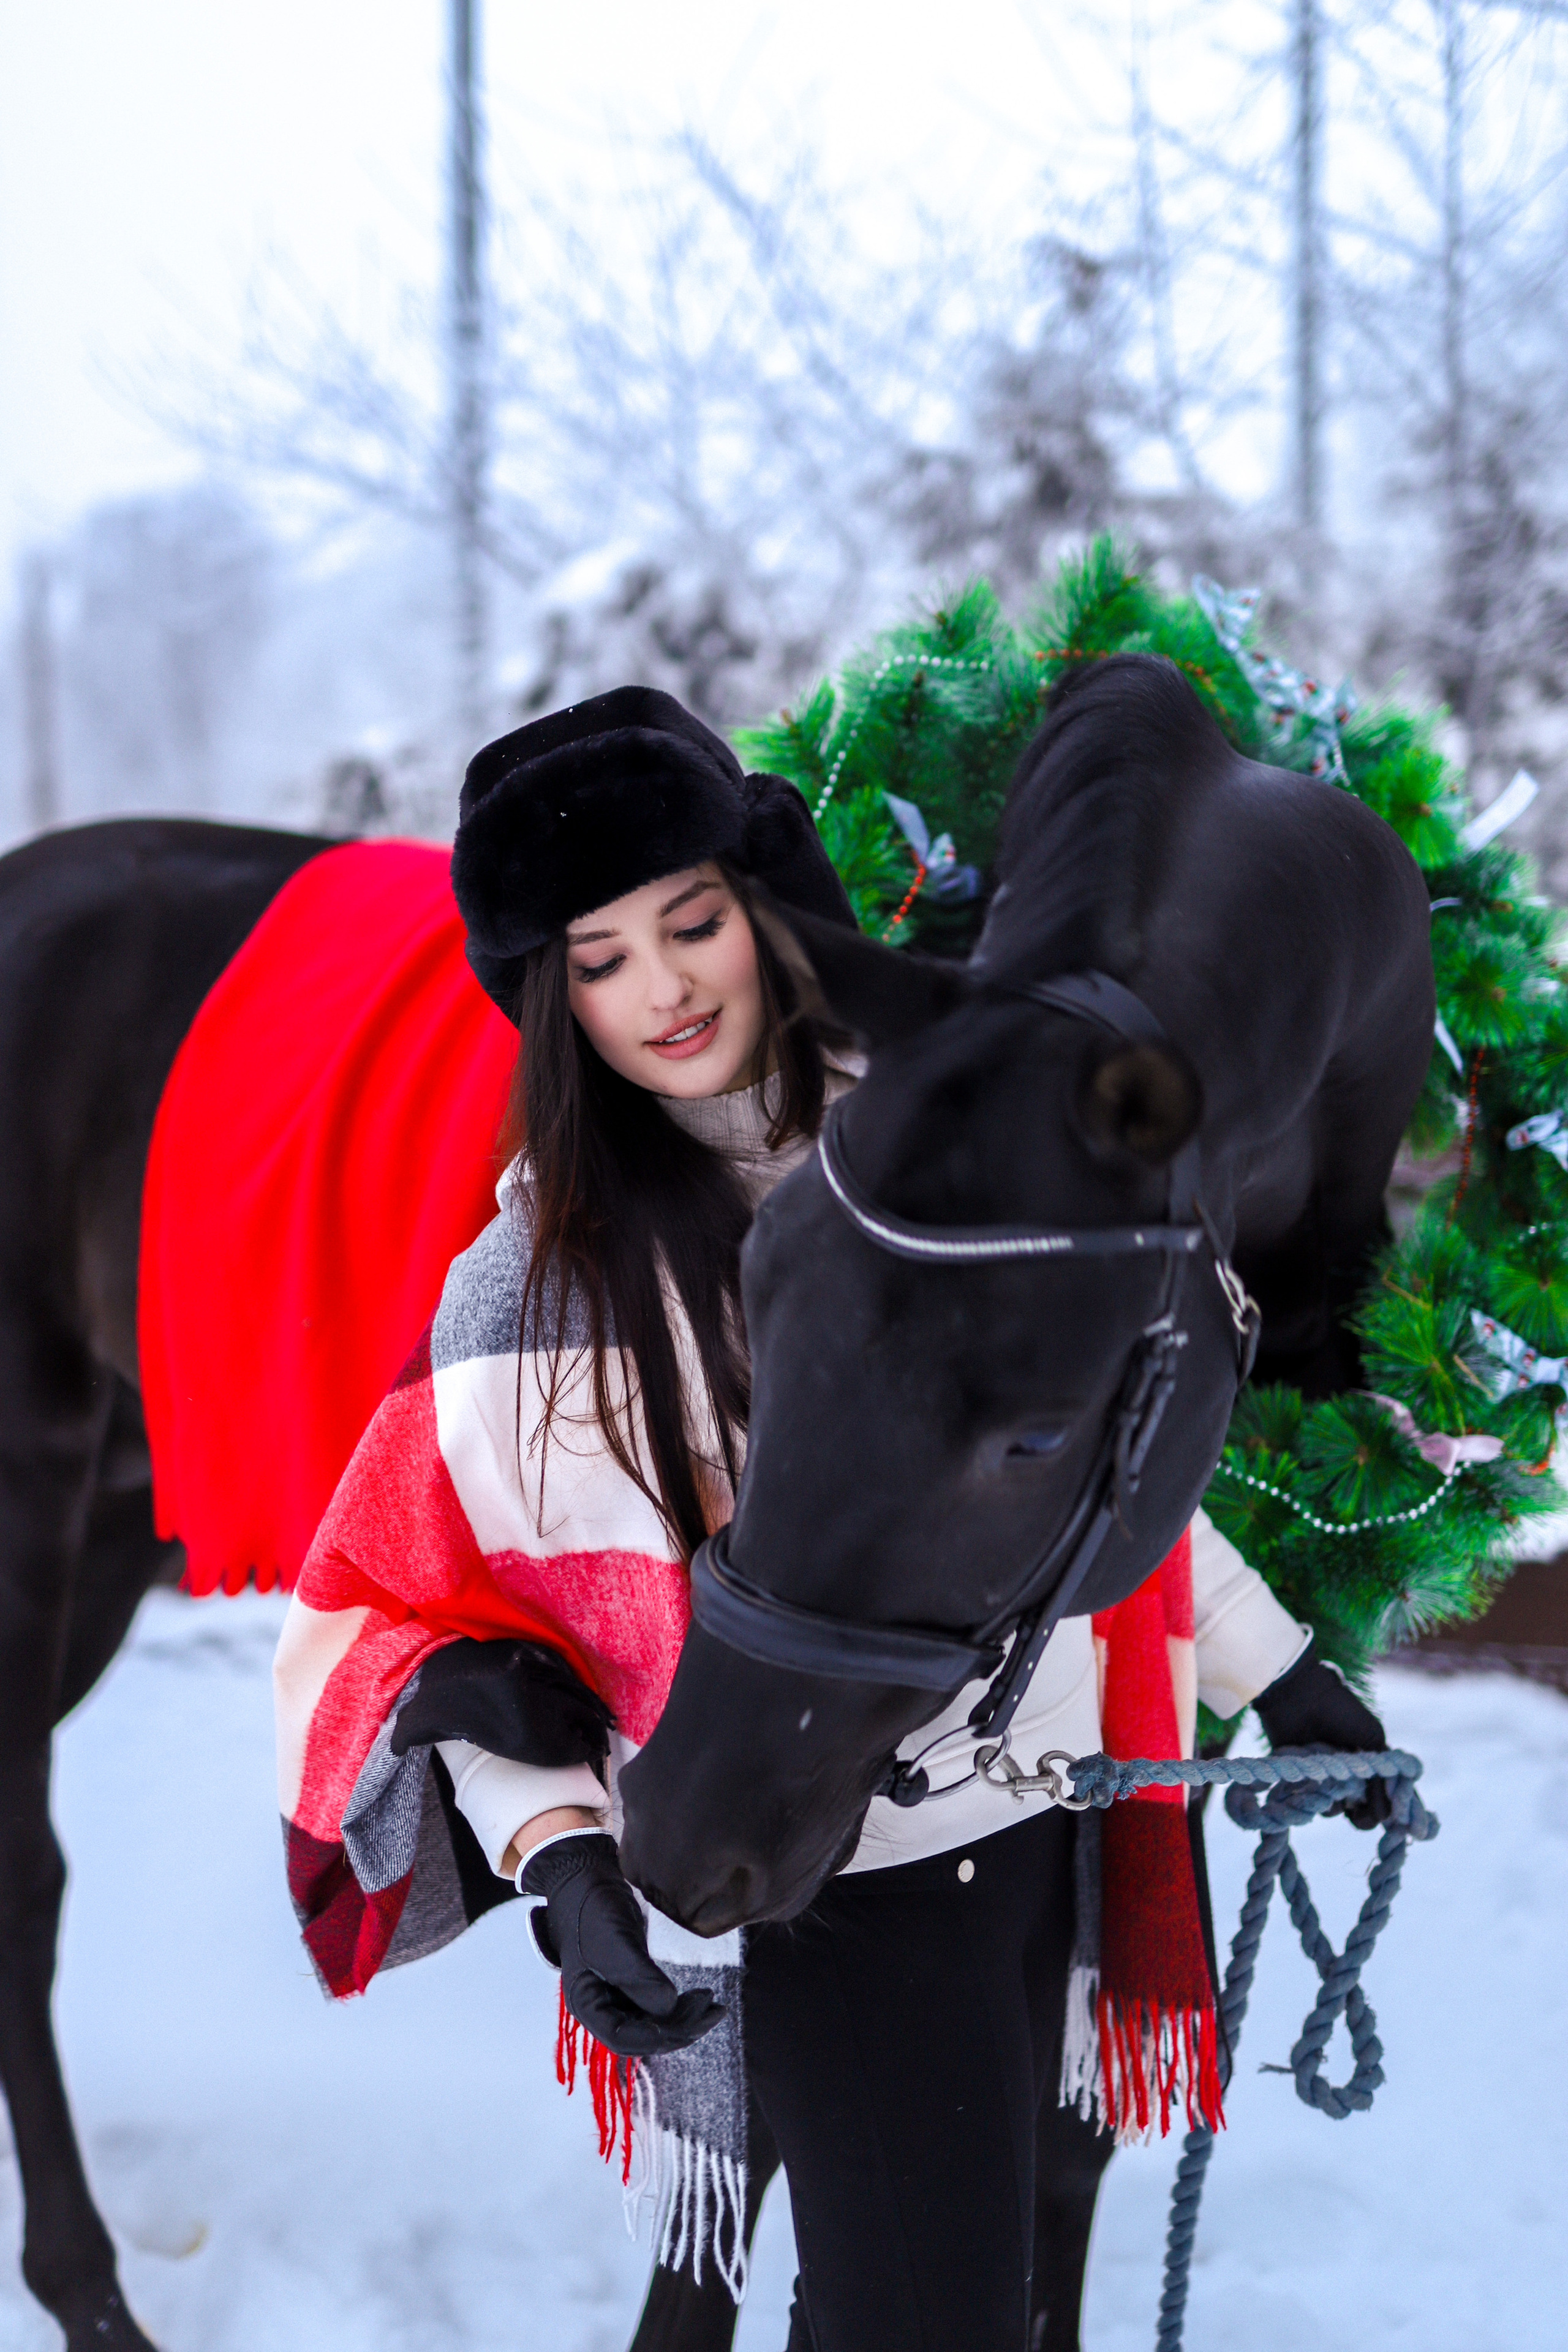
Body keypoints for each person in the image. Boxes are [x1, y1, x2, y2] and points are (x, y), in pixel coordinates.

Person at [273, 685, 1388, 2352]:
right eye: (596, 958)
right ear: (549, 998)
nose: (661, 989)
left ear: (761, 906)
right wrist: (559, 1855)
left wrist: (1271, 1660)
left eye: (692, 922)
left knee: (1022, 2300)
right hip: (828, 1856)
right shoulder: (530, 1288)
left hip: (1055, 1817)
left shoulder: (940, 1147)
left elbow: (1045, 1448)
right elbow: (443, 1620)